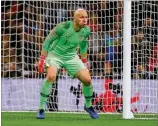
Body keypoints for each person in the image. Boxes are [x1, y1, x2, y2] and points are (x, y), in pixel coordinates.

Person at [36, 8, 99, 119]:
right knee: (51, 76)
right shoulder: (63, 27)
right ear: (74, 18)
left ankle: (88, 106)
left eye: (86, 17)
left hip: (71, 57)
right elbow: (47, 41)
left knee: (87, 80)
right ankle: (41, 109)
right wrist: (42, 59)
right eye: (81, 17)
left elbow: (84, 45)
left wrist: (84, 61)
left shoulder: (86, 30)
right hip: (55, 55)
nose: (85, 20)